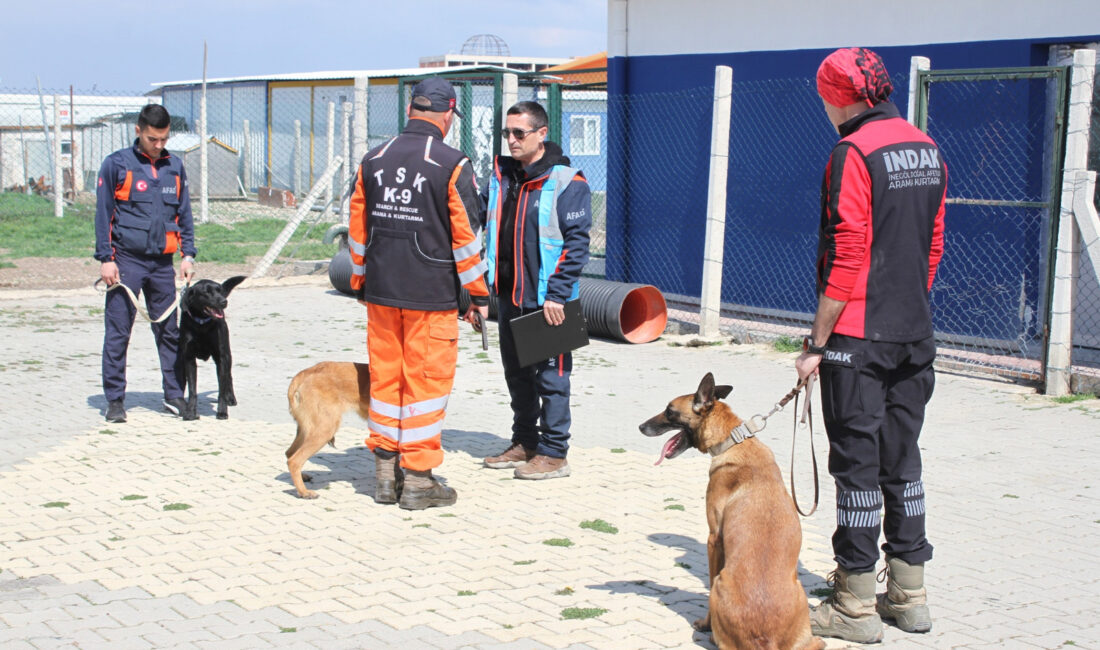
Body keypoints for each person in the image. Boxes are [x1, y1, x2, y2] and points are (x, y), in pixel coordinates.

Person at [795, 47, 946, 643]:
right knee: (903, 462)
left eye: (824, 98)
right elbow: (933, 243)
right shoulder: (925, 146)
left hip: (858, 339)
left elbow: (848, 250)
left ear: (840, 97)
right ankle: (909, 596)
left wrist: (816, 341)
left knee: (856, 470)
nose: (824, 108)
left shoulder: (852, 152)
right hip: (915, 331)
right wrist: (907, 305)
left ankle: (854, 604)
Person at [348, 77, 489, 510]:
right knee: (425, 386)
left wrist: (360, 281)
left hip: (381, 293)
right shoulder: (452, 163)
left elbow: (357, 229)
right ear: (448, 115)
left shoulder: (372, 159)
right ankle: (419, 480)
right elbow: (467, 236)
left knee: (386, 382)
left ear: (411, 109)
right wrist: (478, 296)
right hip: (431, 295)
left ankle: (384, 473)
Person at [480, 101, 591, 480]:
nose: (511, 140)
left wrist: (557, 294)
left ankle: (555, 453)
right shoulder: (502, 177)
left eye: (519, 133)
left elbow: (577, 244)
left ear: (541, 134)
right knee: (517, 376)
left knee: (552, 380)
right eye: (506, 133)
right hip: (509, 296)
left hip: (549, 302)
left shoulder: (567, 181)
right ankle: (525, 442)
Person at [95, 103, 196, 424]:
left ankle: (174, 395)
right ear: (138, 131)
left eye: (164, 139)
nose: (158, 145)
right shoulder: (116, 165)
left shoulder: (174, 167)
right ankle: (115, 400)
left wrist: (188, 255)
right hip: (126, 261)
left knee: (169, 331)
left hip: (162, 264)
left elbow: (184, 214)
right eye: (153, 139)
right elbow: (103, 215)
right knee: (118, 333)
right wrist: (106, 259)